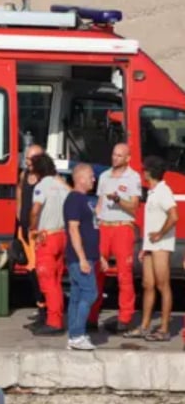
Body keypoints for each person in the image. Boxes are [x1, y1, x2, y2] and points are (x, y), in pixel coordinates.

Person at [92, 143, 142, 333]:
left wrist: (118, 200)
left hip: (123, 228)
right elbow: (99, 204)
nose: (115, 158)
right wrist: (95, 225)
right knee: (96, 271)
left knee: (124, 275)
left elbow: (134, 207)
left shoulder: (133, 177)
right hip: (104, 227)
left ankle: (125, 318)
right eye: (114, 154)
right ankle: (91, 317)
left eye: (120, 156)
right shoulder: (104, 176)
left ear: (128, 158)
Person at [28, 154, 71, 336]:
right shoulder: (62, 186)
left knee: (48, 281)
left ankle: (54, 322)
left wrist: (32, 228)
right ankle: (56, 318)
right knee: (57, 281)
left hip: (47, 238)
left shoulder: (42, 186)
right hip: (63, 236)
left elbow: (35, 210)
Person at [134, 156, 175, 342]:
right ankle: (144, 326)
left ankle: (165, 328)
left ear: (150, 172)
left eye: (144, 169)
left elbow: (174, 216)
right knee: (147, 285)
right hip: (151, 246)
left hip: (161, 246)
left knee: (162, 285)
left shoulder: (163, 191)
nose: (143, 172)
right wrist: (145, 246)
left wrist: (159, 234)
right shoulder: (153, 192)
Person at [63, 163, 101, 351]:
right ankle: (77, 334)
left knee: (77, 296)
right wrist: (82, 258)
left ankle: (75, 335)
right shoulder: (74, 200)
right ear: (80, 178)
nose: (94, 179)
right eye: (91, 176)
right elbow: (73, 229)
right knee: (90, 292)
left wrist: (97, 256)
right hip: (79, 258)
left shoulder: (84, 200)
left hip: (89, 256)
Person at [15, 144, 47, 328]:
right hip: (25, 230)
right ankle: (40, 308)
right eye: (25, 159)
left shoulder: (46, 179)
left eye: (30, 159)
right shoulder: (25, 175)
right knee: (30, 271)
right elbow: (20, 189)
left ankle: (45, 312)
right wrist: (18, 212)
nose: (26, 162)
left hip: (38, 233)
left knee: (38, 273)